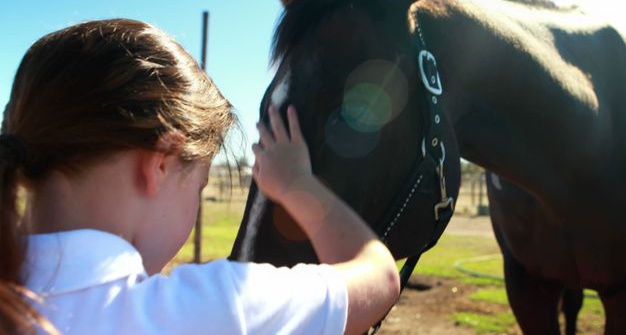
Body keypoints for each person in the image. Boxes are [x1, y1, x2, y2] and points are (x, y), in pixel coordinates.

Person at [0, 19, 400, 335]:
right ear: (159, 162)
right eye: (199, 184)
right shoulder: (217, 308)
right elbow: (378, 278)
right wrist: (298, 185)